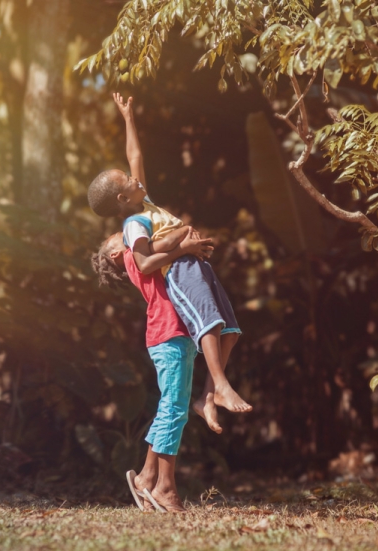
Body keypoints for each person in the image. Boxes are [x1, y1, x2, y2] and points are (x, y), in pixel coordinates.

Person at [88, 93, 251, 435]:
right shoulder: (133, 225)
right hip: (180, 270)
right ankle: (219, 385)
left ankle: (207, 396)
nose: (137, 180)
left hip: (197, 265)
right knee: (208, 323)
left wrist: (129, 118)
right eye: (129, 182)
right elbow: (146, 264)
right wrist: (184, 247)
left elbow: (135, 155)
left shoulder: (144, 203)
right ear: (122, 198)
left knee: (230, 331)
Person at [91, 230, 210, 512]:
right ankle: (164, 487)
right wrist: (185, 246)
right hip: (168, 335)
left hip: (176, 335)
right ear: (115, 254)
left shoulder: (137, 251)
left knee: (172, 408)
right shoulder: (134, 257)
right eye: (121, 236)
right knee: (173, 409)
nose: (132, 234)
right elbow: (157, 258)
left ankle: (146, 478)